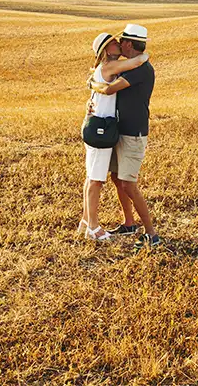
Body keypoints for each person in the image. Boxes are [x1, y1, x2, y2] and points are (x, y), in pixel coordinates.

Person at [90, 24, 160, 250]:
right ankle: (129, 223)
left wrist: (92, 85)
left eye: (122, 41)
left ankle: (151, 234)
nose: (120, 44)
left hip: (133, 134)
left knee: (129, 183)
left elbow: (110, 90)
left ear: (129, 44)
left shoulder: (141, 69)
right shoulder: (129, 66)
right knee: (117, 179)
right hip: (121, 130)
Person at [79, 32, 149, 241]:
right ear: (106, 51)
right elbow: (138, 61)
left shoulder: (103, 70)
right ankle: (93, 227)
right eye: (113, 43)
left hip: (99, 126)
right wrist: (145, 55)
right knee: (96, 180)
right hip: (102, 128)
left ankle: (85, 221)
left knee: (92, 177)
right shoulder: (109, 67)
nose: (118, 43)